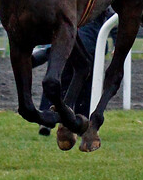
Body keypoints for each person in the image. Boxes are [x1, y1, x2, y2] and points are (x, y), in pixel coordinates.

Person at [32, 8, 115, 136]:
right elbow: (114, 19)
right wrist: (116, 42)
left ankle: (46, 119)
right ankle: (81, 120)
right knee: (84, 88)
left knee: (57, 80)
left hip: (67, 44)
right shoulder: (99, 0)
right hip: (89, 48)